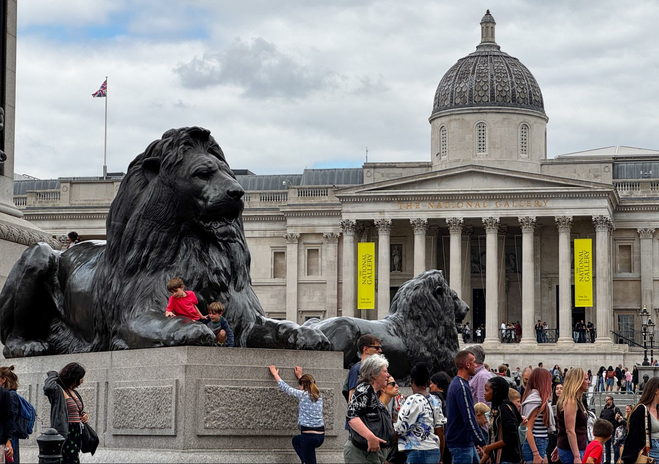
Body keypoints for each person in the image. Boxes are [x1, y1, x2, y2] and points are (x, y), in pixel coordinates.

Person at [268, 365, 324, 464]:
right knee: (296, 441)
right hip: (320, 437)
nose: (298, 387)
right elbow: (308, 386)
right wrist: (300, 376)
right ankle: (304, 460)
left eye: (300, 385)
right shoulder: (319, 396)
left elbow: (285, 388)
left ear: (303, 386)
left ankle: (305, 461)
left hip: (308, 436)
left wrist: (275, 374)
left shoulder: (302, 395)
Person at [345, 354, 393, 464]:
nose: (388, 375)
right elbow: (352, 417)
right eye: (385, 371)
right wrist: (370, 437)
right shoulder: (364, 389)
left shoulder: (372, 392)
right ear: (374, 374)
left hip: (371, 453)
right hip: (361, 453)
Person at [394, 363, 444, 463]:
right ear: (428, 382)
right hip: (434, 450)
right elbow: (440, 430)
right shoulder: (435, 400)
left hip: (417, 451)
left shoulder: (413, 400)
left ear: (412, 381)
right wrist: (441, 457)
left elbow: (400, 428)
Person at [43, 362, 89, 464]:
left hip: (76, 431)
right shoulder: (58, 390)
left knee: (73, 458)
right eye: (80, 377)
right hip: (64, 430)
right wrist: (53, 374)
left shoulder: (73, 392)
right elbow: (48, 388)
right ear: (74, 377)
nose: (82, 381)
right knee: (66, 459)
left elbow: (76, 408)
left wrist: (83, 415)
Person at [446, 350, 486, 464]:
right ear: (467, 364)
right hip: (461, 443)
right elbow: (469, 417)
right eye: (474, 362)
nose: (476, 365)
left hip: (465, 442)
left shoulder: (458, 384)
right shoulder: (461, 386)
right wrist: (481, 442)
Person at [480, 375, 522, 464]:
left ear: (496, 392)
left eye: (487, 390)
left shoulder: (505, 409)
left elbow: (511, 436)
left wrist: (491, 447)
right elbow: (493, 439)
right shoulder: (496, 407)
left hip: (507, 459)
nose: (484, 393)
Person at [552, 367, 589, 464]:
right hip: (573, 451)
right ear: (577, 381)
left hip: (573, 447)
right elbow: (569, 430)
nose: (588, 382)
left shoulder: (575, 400)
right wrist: (576, 456)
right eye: (586, 379)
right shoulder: (571, 401)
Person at [621, 376, 659, 464]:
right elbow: (633, 436)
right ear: (656, 391)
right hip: (650, 454)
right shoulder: (641, 410)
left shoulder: (658, 409)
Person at [521, 367, 555, 464]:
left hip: (540, 442)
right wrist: (536, 453)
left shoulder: (536, 400)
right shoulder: (535, 402)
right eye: (549, 381)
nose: (551, 383)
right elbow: (528, 429)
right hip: (536, 443)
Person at [342, 334, 382, 403]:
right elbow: (352, 399)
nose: (380, 350)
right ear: (365, 349)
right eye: (377, 348)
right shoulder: (357, 369)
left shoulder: (377, 368)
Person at [0, 366, 19, 464]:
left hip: (4, 438)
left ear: (3, 379)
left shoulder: (7, 394)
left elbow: (9, 418)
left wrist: (8, 440)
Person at [548, 382, 563, 464]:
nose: (559, 390)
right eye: (557, 389)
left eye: (561, 388)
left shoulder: (567, 404)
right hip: (552, 434)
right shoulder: (550, 405)